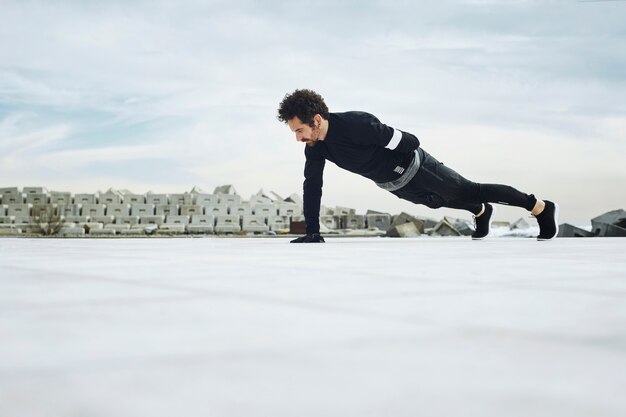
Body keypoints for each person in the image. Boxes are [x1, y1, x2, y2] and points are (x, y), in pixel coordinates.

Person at [277, 89, 559, 243]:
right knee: (437, 203)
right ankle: (481, 211)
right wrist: (312, 231)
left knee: (466, 190)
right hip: (393, 183)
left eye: (299, 130)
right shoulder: (316, 147)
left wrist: (396, 155)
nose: (298, 138)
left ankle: (539, 207)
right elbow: (312, 185)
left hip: (416, 166)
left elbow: (410, 141)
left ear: (315, 120)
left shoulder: (357, 124)